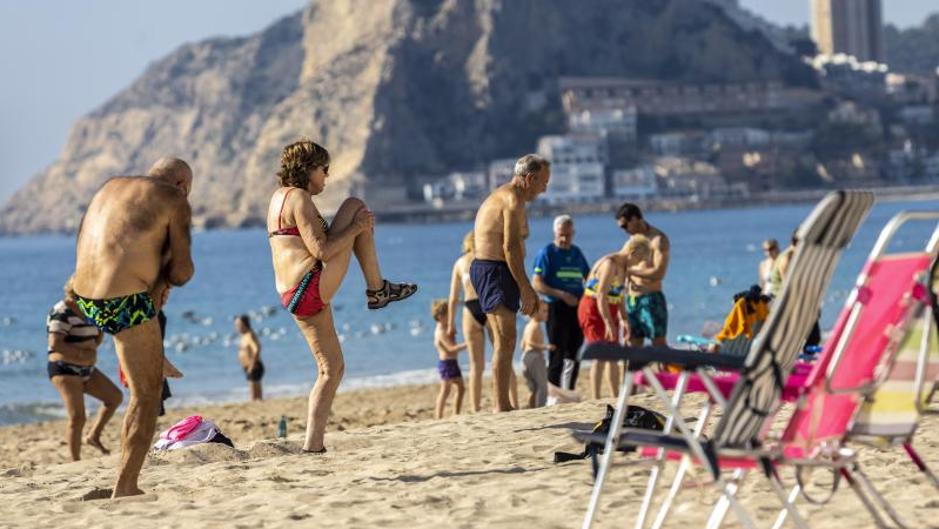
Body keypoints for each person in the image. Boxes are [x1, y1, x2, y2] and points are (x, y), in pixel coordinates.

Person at [267, 139, 417, 453]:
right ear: (308, 170)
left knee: (331, 369)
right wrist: (357, 228)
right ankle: (378, 290)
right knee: (355, 208)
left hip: (292, 294)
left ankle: (313, 445)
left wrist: (351, 231)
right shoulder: (299, 199)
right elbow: (321, 250)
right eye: (323, 170)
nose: (326, 177)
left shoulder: (278, 198)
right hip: (309, 284)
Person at [72, 157, 195, 498]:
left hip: (82, 294)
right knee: (146, 395)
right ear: (182, 185)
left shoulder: (112, 186)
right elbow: (183, 272)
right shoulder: (174, 199)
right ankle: (126, 487)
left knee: (152, 272)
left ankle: (157, 353)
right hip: (122, 302)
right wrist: (170, 271)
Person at [470, 154, 550, 412]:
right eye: (543, 182)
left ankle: (501, 403)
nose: (545, 188)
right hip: (495, 270)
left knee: (502, 342)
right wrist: (526, 287)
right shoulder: (512, 199)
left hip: (492, 269)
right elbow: (510, 247)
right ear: (530, 178)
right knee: (506, 340)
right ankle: (501, 406)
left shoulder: (508, 197)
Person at [47, 280, 123, 461]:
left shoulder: (90, 309)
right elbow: (55, 345)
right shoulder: (61, 311)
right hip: (64, 370)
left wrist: (91, 348)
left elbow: (97, 337)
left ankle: (93, 436)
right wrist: (82, 354)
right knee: (77, 417)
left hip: (87, 369)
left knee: (114, 398)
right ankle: (75, 461)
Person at [578, 236, 651, 399]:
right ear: (632, 253)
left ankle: (614, 395)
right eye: (638, 260)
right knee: (600, 351)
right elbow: (601, 295)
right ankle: (595, 397)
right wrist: (607, 322)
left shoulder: (624, 268)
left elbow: (619, 296)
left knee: (613, 351)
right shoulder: (609, 264)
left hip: (609, 307)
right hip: (593, 308)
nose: (638, 264)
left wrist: (624, 320)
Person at [532, 215, 590, 391]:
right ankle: (553, 392)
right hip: (556, 306)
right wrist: (562, 295)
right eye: (561, 235)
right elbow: (537, 283)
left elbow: (589, 277)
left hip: (577, 307)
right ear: (555, 233)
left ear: (573, 233)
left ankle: (568, 390)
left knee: (575, 350)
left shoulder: (577, 253)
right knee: (557, 350)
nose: (564, 239)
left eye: (568, 235)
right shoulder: (547, 253)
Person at [616, 203, 671, 353]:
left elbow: (659, 273)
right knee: (632, 344)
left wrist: (630, 272)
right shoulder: (632, 241)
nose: (624, 230)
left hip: (651, 298)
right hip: (632, 300)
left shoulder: (658, 240)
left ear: (634, 219)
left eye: (625, 226)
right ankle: (634, 376)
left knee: (658, 345)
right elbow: (619, 263)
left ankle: (668, 376)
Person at [446, 231, 490, 412]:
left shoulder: (459, 263)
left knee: (476, 365)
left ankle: (475, 407)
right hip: (488, 305)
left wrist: (450, 324)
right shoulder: (486, 258)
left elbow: (453, 297)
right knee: (500, 357)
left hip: (469, 309)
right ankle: (511, 401)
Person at [767, 232, 821, 347]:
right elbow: (789, 287)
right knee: (811, 335)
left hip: (791, 300)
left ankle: (806, 357)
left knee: (813, 336)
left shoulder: (795, 256)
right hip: (782, 301)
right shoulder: (786, 258)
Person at [432, 300, 467, 418]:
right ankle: (438, 416)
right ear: (440, 317)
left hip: (453, 362)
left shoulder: (446, 326)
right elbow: (451, 349)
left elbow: (453, 334)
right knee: (445, 391)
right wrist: (467, 344)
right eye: (448, 315)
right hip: (446, 363)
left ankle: (456, 413)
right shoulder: (440, 332)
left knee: (461, 388)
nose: (451, 317)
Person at [521, 302, 553, 408]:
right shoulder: (535, 325)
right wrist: (545, 347)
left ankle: (531, 407)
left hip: (525, 358)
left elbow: (522, 345)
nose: (547, 314)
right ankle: (540, 407)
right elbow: (530, 342)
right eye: (544, 311)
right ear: (534, 313)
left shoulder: (528, 326)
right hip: (534, 356)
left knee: (534, 388)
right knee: (542, 386)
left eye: (547, 311)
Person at [235, 315, 264, 401]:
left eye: (239, 325)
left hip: (254, 366)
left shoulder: (250, 335)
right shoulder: (243, 335)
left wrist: (252, 364)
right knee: (255, 395)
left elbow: (257, 348)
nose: (237, 327)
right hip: (248, 366)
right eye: (236, 325)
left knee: (254, 396)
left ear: (245, 324)